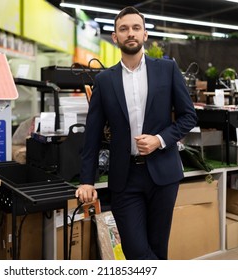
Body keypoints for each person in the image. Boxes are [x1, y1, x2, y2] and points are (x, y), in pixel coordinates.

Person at [76, 6, 197, 260]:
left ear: (144, 35)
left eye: (135, 28)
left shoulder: (167, 70)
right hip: (125, 177)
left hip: (163, 174)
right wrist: (87, 180)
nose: (130, 33)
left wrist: (159, 140)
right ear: (115, 37)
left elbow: (189, 117)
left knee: (158, 247)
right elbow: (93, 134)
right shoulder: (105, 81)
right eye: (124, 29)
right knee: (134, 250)